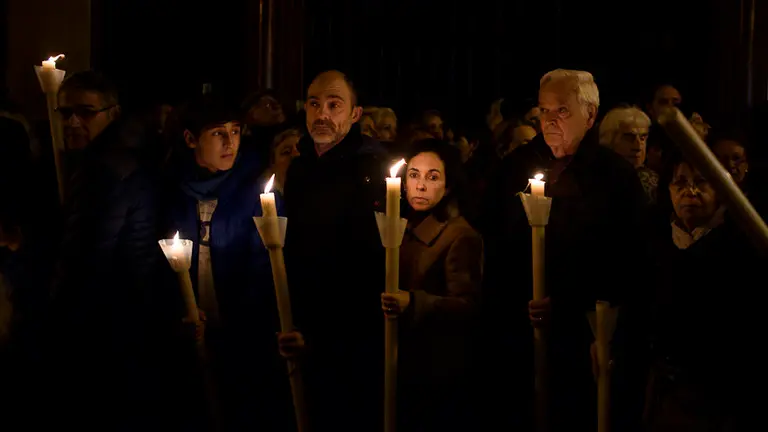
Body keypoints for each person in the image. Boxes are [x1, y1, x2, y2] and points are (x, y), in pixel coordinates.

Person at [484, 69, 650, 431]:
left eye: (562, 111)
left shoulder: (614, 176)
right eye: (544, 111)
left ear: (590, 116)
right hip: (518, 330)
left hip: (583, 333)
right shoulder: (516, 167)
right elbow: (496, 243)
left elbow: (627, 259)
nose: (549, 121)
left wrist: (567, 300)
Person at [160, 94, 290, 431]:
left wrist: (239, 318)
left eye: (235, 132)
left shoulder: (257, 192)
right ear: (190, 139)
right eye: (218, 133)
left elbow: (265, 267)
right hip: (189, 333)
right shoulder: (170, 190)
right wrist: (181, 309)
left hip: (245, 338)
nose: (230, 142)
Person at [48, 70, 162, 428]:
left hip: (109, 325)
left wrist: (53, 323)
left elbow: (85, 259)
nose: (73, 121)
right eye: (65, 113)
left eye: (85, 111)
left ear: (113, 113)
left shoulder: (106, 169)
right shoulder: (110, 158)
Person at [281, 70, 388, 431]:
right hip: (302, 319)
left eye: (334, 105)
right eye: (314, 104)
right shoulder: (299, 169)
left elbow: (366, 261)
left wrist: (322, 334)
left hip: (351, 329)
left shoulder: (370, 167)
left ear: (355, 114)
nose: (322, 114)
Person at [645, 150, 762, 431]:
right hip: (666, 387)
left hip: (723, 390)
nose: (690, 191)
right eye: (680, 182)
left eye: (701, 181)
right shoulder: (656, 241)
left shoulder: (740, 245)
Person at [380, 139, 482, 431]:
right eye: (413, 175)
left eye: (432, 177)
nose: (420, 186)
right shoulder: (398, 226)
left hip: (436, 367)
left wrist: (414, 302)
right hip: (399, 362)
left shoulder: (459, 235)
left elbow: (468, 305)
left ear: (448, 186)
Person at [598, 106, 658, 203]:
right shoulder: (595, 180)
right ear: (609, 140)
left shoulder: (654, 183)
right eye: (629, 138)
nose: (638, 146)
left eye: (642, 138)